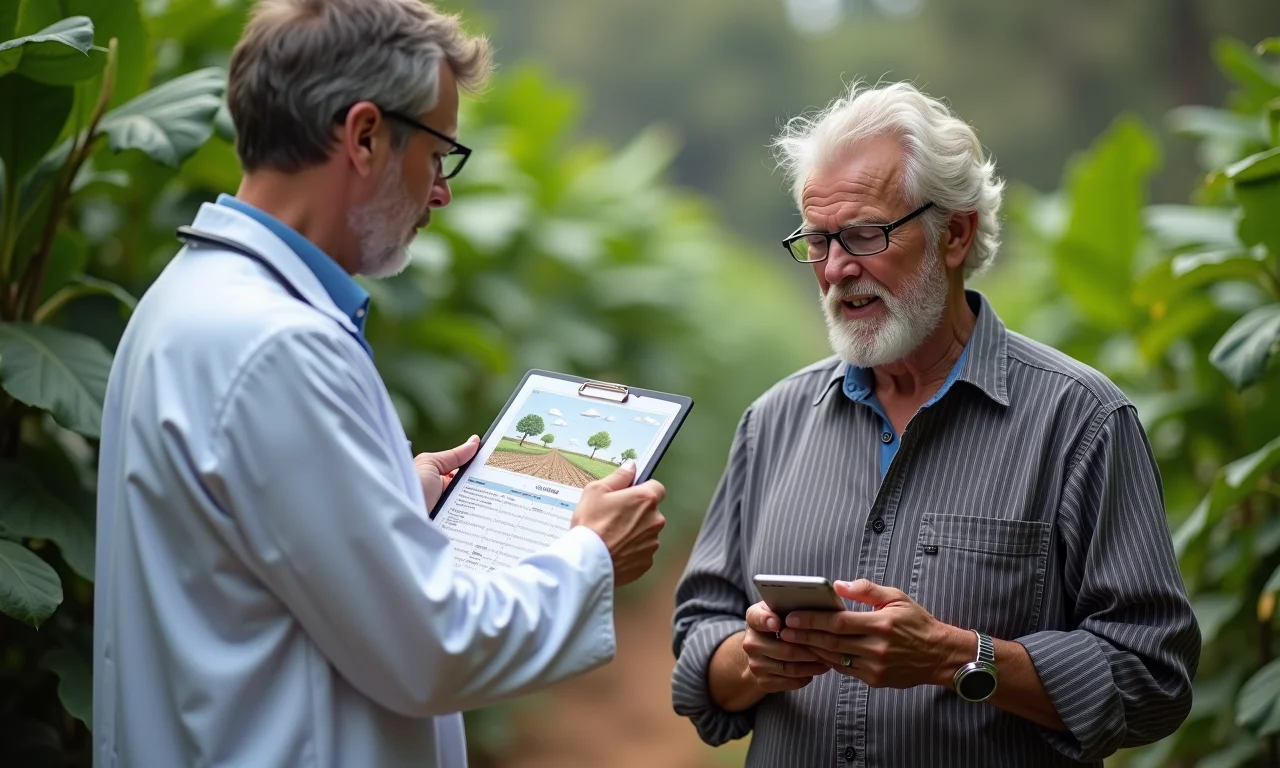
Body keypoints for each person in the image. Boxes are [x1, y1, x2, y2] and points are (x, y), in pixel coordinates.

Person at [93, 1, 666, 766]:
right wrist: (590, 554)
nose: (441, 192)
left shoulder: (185, 300)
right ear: (365, 136)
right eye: (438, 154)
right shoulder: (282, 347)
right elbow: (431, 648)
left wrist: (397, 492)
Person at [669, 82, 1199, 767]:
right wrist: (756, 658)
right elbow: (696, 646)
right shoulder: (771, 422)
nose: (835, 269)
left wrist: (957, 657)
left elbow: (1154, 678)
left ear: (955, 233)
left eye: (864, 234)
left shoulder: (1080, 422)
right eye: (819, 240)